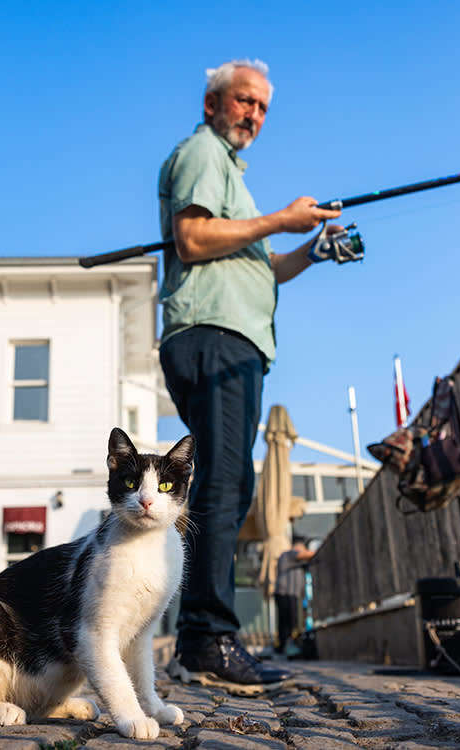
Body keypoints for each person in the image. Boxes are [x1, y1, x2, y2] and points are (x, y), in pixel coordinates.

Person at [158, 58, 342, 693]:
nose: (254, 116)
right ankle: (206, 639)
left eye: (262, 107)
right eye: (244, 101)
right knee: (225, 481)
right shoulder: (203, 153)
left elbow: (261, 268)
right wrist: (280, 220)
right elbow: (192, 239)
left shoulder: (234, 179)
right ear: (213, 104)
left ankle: (201, 637)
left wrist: (309, 250)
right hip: (213, 337)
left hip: (233, 340)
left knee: (227, 478)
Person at [274, 539, 316, 655]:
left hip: (288, 593)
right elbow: (309, 554)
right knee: (290, 621)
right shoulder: (290, 554)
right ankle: (288, 646)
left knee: (286, 621)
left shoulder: (293, 560)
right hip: (286, 592)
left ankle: (283, 647)